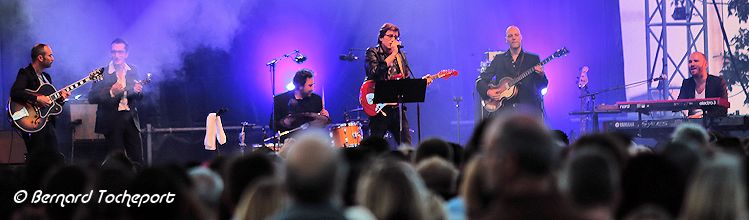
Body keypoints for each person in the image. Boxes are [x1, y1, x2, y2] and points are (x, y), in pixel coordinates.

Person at [88, 38, 145, 164]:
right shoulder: (102, 72)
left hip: (131, 119)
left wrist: (138, 91)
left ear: (126, 54)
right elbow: (91, 98)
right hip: (112, 120)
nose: (116, 55)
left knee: (137, 158)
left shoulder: (133, 70)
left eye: (120, 52)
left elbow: (140, 96)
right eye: (114, 52)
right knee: (116, 160)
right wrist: (111, 92)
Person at [9, 43, 70, 160]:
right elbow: (15, 92)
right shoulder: (25, 73)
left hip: (48, 124)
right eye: (50, 55)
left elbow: (50, 104)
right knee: (38, 159)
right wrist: (37, 98)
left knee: (55, 158)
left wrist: (61, 99)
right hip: (33, 123)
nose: (53, 58)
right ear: (40, 58)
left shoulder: (46, 77)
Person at [476, 26, 548, 117]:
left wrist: (541, 75)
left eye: (516, 35)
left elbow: (542, 85)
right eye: (510, 36)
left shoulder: (533, 59)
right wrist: (488, 91)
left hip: (528, 113)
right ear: (506, 39)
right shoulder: (499, 59)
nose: (513, 38)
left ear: (521, 37)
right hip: (505, 113)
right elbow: (480, 80)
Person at [364, 23, 414, 145]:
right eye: (390, 36)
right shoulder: (373, 52)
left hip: (397, 108)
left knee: (406, 146)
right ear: (381, 37)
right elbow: (374, 73)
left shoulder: (400, 56)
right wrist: (392, 55)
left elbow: (404, 79)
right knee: (375, 148)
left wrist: (422, 82)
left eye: (396, 37)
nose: (393, 39)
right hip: (379, 108)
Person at [272, 68, 330, 134]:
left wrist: (325, 117)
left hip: (311, 140)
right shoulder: (280, 100)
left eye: (313, 84)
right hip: (289, 141)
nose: (312, 88)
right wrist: (287, 122)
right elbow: (273, 125)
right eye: (310, 85)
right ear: (300, 86)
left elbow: (322, 126)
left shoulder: (317, 99)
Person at [677, 51, 728, 117]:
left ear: (706, 64)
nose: (692, 64)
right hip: (690, 124)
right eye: (690, 62)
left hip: (711, 124)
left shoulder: (717, 82)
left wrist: (701, 116)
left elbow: (723, 109)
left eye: (696, 61)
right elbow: (678, 106)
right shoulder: (687, 84)